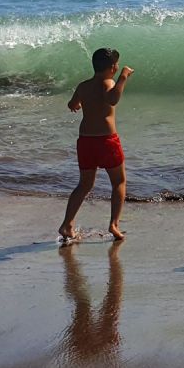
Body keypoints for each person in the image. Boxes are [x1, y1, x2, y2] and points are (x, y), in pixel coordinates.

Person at [59, 48, 134, 243]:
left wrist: (79, 105)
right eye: (117, 66)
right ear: (112, 67)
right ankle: (114, 224)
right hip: (106, 140)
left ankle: (67, 223)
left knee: (84, 184)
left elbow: (72, 104)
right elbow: (112, 99)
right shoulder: (108, 82)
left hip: (85, 141)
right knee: (118, 182)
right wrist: (123, 78)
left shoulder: (83, 86)